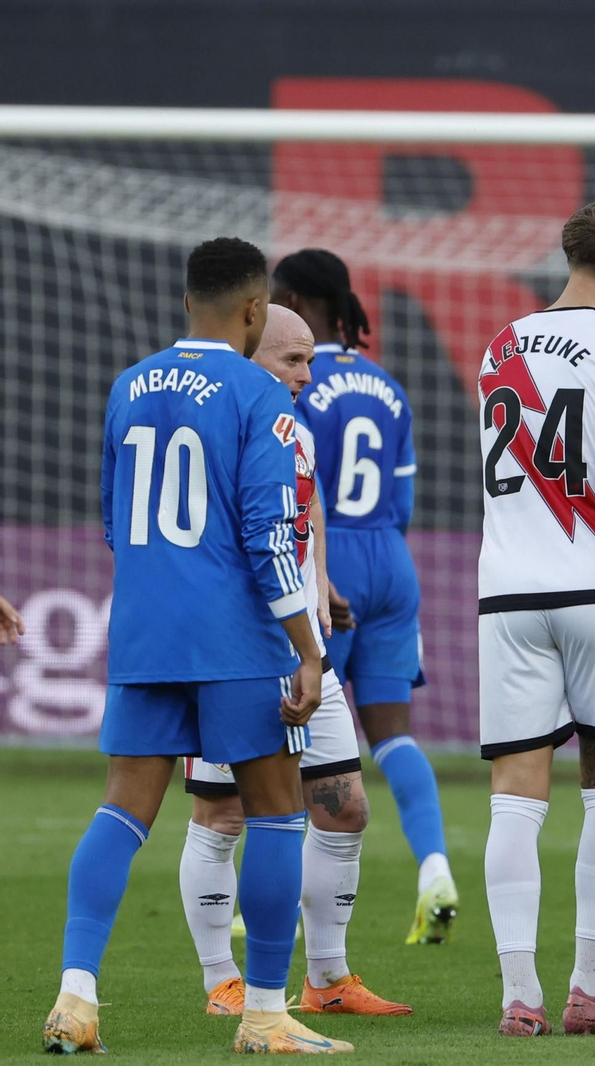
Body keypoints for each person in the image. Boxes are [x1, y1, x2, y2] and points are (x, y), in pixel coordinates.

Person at [43, 237, 351, 1054]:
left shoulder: (127, 386)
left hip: (144, 634)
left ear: (189, 302)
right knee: (278, 815)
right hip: (239, 641)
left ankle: (76, 997)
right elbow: (268, 537)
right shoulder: (259, 396)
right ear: (255, 310)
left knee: (121, 810)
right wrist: (309, 651)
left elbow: (114, 522)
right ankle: (262, 1013)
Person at [180, 305, 411, 1018]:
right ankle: (222, 978)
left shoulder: (296, 430)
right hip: (236, 653)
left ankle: (328, 980)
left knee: (344, 809)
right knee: (222, 817)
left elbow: (302, 519)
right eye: (293, 361)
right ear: (252, 356)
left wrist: (323, 586)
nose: (308, 376)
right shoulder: (223, 428)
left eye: (311, 360)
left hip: (303, 643)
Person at [478, 201, 595, 1038]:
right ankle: (588, 988)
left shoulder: (501, 345)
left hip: (507, 591)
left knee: (515, 798)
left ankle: (521, 996)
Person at [273, 248, 458, 946]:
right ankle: (435, 867)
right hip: (392, 558)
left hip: (332, 559)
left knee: (297, 735)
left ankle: (280, 903)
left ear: (291, 298)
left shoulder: (294, 382)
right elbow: (403, 499)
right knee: (393, 734)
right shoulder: (387, 385)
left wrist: (319, 574)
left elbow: (297, 489)